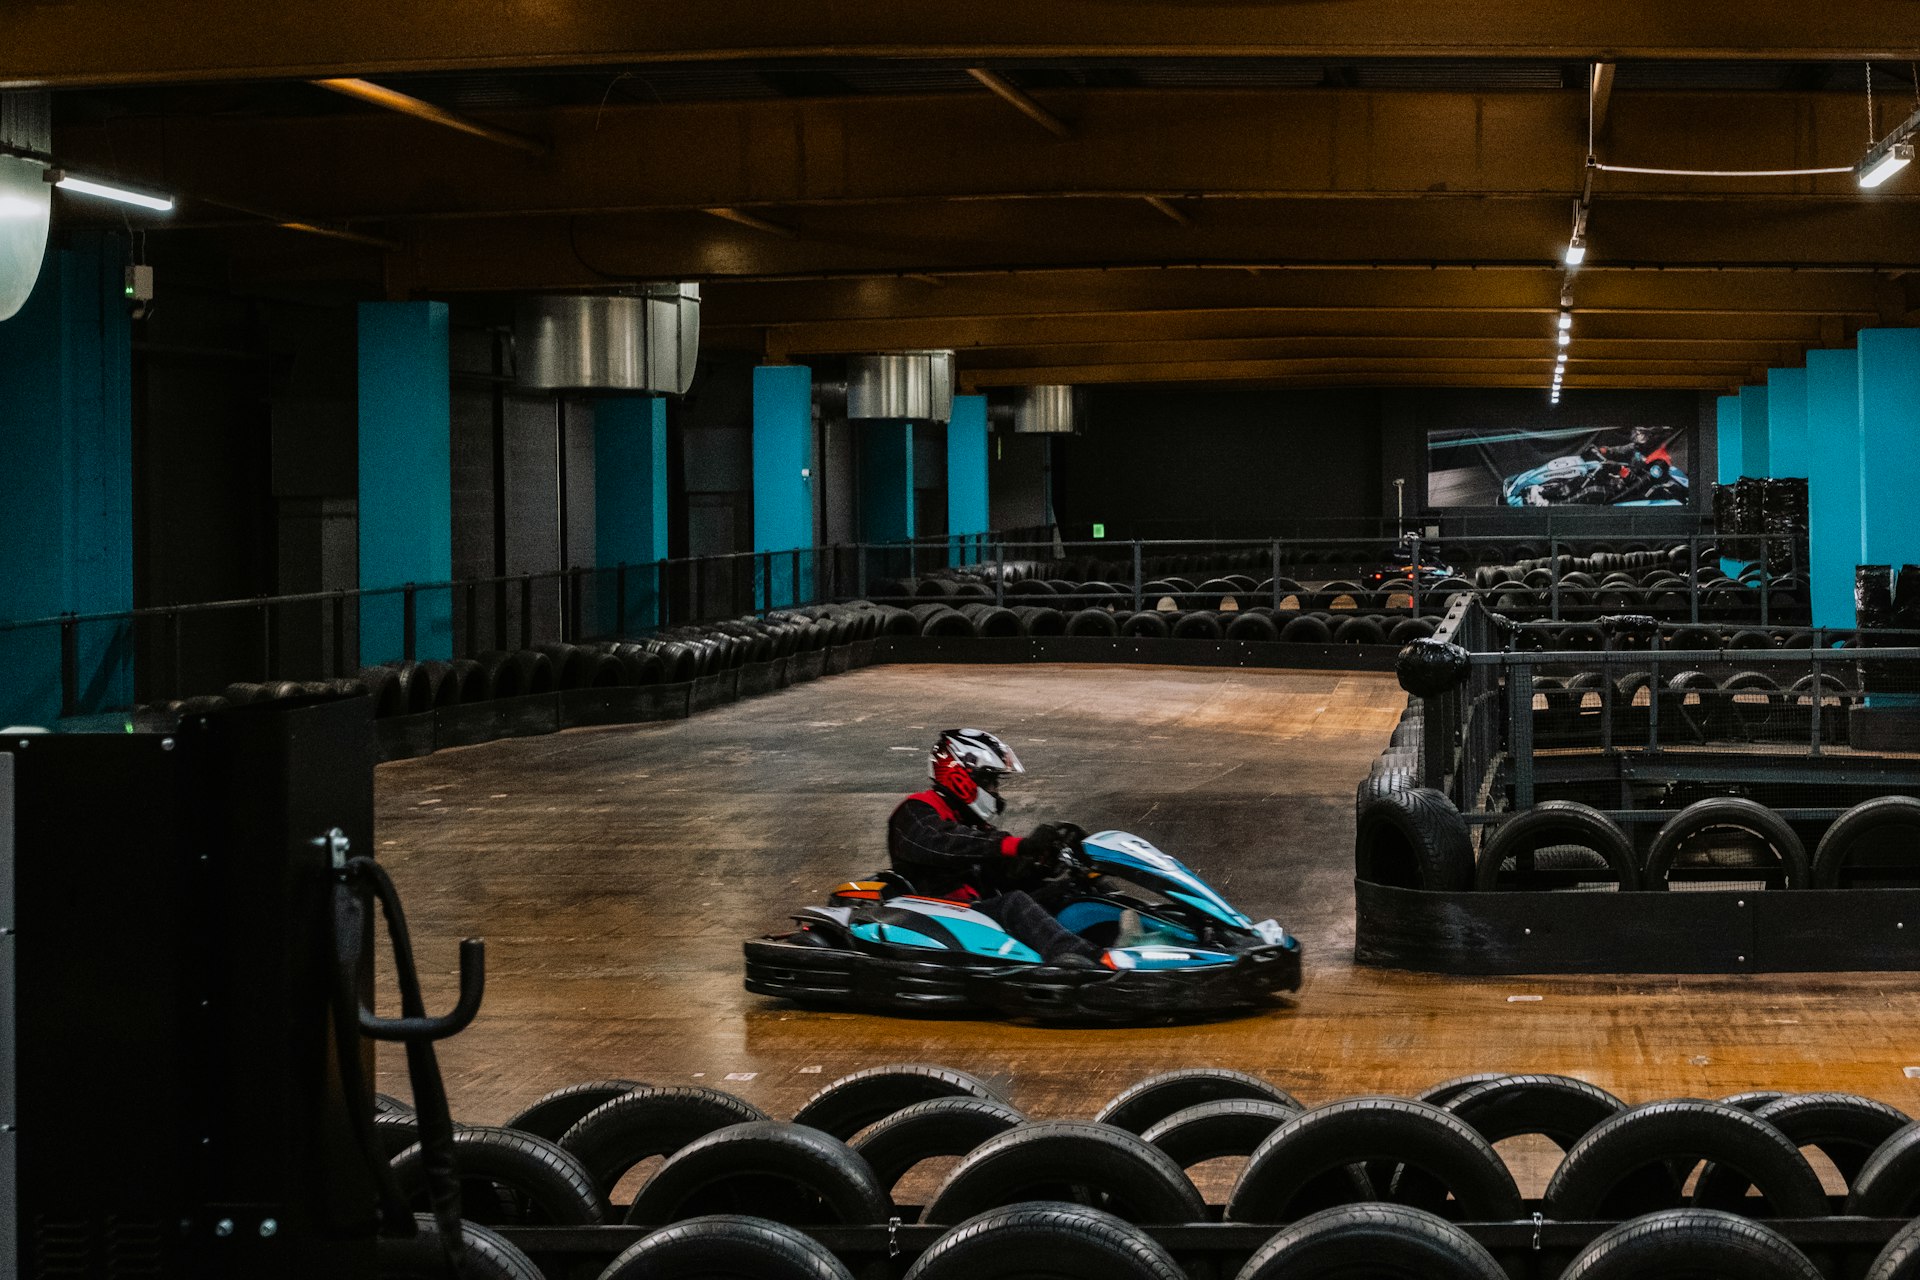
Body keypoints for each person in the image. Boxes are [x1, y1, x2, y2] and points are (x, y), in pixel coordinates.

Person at [887, 729, 1103, 968]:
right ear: (960, 777)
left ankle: (1128, 937)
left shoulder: (971, 822)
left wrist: (1045, 860)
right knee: (1014, 904)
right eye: (990, 782)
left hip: (975, 912)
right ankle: (1087, 962)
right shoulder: (916, 810)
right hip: (938, 914)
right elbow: (946, 844)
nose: (995, 791)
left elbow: (1007, 872)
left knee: (1072, 889)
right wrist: (1018, 845)